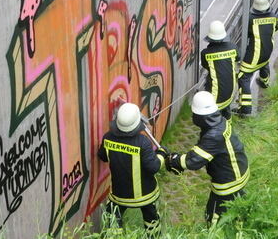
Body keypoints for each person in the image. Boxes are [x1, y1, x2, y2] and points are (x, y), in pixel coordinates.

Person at [166, 91, 250, 227]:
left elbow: (193, 161)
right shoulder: (220, 121)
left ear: (200, 116)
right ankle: (240, 227)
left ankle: (215, 233)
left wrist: (173, 160)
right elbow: (204, 149)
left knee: (214, 216)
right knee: (236, 207)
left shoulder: (213, 135)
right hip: (239, 170)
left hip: (229, 181)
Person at [97, 102, 168, 237]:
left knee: (112, 220)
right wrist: (161, 154)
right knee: (151, 220)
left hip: (119, 195)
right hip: (145, 196)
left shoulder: (108, 138)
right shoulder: (143, 142)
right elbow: (153, 167)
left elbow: (102, 157)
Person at [236, 0, 276, 116]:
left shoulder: (251, 19)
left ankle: (245, 107)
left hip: (254, 55)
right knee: (264, 64)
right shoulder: (273, 16)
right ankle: (265, 81)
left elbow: (246, 35)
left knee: (243, 77)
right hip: (268, 51)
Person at [200, 20, 238, 118]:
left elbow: (205, 66)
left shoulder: (206, 53)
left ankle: (218, 130)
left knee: (212, 120)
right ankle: (228, 127)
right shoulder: (233, 48)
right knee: (226, 111)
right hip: (231, 91)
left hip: (215, 97)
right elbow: (238, 58)